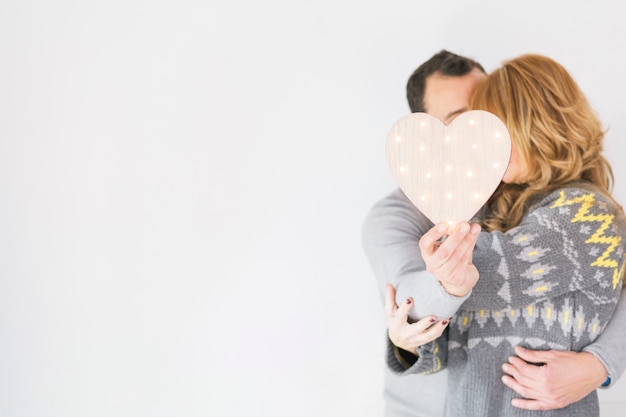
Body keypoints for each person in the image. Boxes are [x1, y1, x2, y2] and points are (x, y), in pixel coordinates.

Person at [362, 50, 626, 416]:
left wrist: (601, 362)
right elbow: (414, 300)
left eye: (487, 119)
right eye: (461, 122)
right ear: (430, 134)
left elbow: (481, 276)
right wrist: (408, 329)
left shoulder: (563, 208)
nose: (484, 138)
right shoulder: (393, 217)